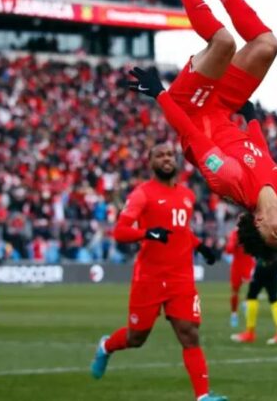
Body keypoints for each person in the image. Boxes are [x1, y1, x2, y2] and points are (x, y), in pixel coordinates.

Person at [125, 0, 277, 260]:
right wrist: (252, 118)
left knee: (224, 44)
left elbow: (189, 132)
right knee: (267, 46)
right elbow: (259, 151)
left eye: (276, 233)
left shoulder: (229, 182)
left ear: (258, 221)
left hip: (192, 107)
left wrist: (160, 93)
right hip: (226, 106)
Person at [90, 142, 225, 401]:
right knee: (136, 337)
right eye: (160, 155)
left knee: (190, 334)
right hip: (150, 278)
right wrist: (146, 233)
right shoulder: (142, 194)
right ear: (150, 163)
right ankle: (106, 346)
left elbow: (182, 230)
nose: (166, 159)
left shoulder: (187, 195)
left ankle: (203, 396)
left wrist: (201, 247)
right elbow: (120, 231)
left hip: (181, 277)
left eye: (169, 155)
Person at [230, 245, 277, 345]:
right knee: (262, 296)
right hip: (271, 263)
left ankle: (251, 332)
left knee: (258, 296)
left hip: (267, 263)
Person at [224, 228, 255, 327]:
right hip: (237, 267)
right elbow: (229, 250)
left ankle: (246, 302)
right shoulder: (234, 234)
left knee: (253, 287)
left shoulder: (252, 232)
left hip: (249, 264)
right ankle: (234, 314)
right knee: (235, 291)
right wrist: (235, 244)